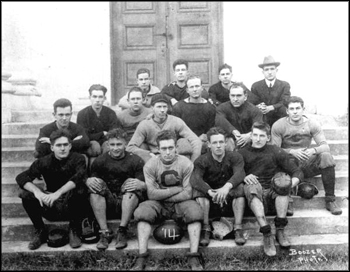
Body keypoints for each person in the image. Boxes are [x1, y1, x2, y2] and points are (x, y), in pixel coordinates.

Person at [131, 130, 204, 270]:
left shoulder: (186, 163)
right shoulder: (151, 165)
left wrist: (163, 192)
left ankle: (193, 255)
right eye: (164, 148)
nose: (168, 152)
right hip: (158, 203)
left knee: (195, 213)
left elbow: (188, 193)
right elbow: (151, 194)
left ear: (176, 148)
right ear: (158, 149)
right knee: (142, 213)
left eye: (171, 148)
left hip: (181, 203)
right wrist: (176, 190)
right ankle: (141, 257)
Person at [238, 122, 303, 256]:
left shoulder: (275, 151)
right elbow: (232, 174)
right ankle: (266, 232)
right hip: (255, 196)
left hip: (274, 195)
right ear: (250, 135)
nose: (257, 139)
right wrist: (244, 176)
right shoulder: (242, 153)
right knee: (251, 186)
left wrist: (289, 184)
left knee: (282, 181)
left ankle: (280, 228)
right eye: (255, 135)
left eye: (262, 136)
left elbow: (297, 172)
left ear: (268, 138)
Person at [16, 129, 88, 250]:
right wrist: (37, 192)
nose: (62, 148)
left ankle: (74, 230)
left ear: (70, 146)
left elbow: (78, 178)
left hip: (71, 205)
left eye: (65, 145)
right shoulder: (43, 161)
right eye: (58, 145)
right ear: (52, 147)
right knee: (24, 192)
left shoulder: (78, 158)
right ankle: (40, 231)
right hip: (51, 205)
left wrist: (58, 193)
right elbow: (21, 177)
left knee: (80, 188)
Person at [271, 96, 342, 215]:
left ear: (303, 109)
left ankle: (330, 200)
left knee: (326, 156)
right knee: (277, 161)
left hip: (306, 162)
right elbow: (274, 150)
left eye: (298, 108)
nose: (295, 111)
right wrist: (291, 151)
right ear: (287, 111)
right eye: (291, 109)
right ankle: (287, 200)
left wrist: (313, 150)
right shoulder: (279, 125)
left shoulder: (312, 124)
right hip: (287, 164)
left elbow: (325, 146)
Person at [86, 128, 146, 250]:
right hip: (107, 203)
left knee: (131, 187)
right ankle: (105, 232)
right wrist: (90, 181)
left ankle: (122, 230)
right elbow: (94, 183)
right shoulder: (100, 161)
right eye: (112, 145)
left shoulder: (135, 160)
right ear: (107, 145)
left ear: (125, 144)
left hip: (128, 203)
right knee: (95, 189)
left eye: (119, 144)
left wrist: (141, 184)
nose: (115, 148)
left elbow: (144, 184)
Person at [190, 127, 246, 247]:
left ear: (226, 142)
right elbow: (195, 179)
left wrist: (226, 188)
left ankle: (238, 228)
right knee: (198, 191)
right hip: (211, 201)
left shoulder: (235, 157)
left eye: (221, 142)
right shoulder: (201, 160)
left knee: (240, 187)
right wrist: (209, 191)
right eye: (215, 142)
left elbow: (240, 173)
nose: (219, 145)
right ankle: (205, 228)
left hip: (229, 200)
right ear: (209, 144)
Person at [126, 93, 202, 163]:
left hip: (173, 156)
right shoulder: (145, 124)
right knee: (141, 146)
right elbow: (130, 147)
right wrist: (148, 154)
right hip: (153, 158)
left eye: (164, 107)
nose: (162, 110)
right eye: (159, 107)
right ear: (152, 108)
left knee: (184, 143)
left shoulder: (176, 121)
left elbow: (195, 140)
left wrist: (193, 162)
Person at [172, 75, 216, 153]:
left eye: (197, 86)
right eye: (191, 87)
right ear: (187, 90)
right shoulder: (178, 107)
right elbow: (176, 130)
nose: (195, 89)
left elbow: (210, 128)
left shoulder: (210, 107)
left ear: (202, 88)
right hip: (184, 140)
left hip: (203, 140)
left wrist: (205, 136)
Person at [215, 83, 263, 151]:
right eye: (232, 95)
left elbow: (258, 127)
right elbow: (220, 121)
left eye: (239, 96)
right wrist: (234, 131)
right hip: (230, 139)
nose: (235, 99)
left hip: (249, 140)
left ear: (245, 96)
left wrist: (248, 136)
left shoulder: (254, 110)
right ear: (229, 96)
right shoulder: (222, 108)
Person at [77, 84, 121, 157]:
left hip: (106, 142)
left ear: (104, 98)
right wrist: (102, 133)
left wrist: (96, 136)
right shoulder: (82, 114)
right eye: (94, 97)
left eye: (100, 97)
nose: (97, 100)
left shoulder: (110, 113)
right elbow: (84, 136)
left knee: (108, 147)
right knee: (95, 146)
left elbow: (113, 133)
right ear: (90, 98)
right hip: (90, 144)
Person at [251, 55, 291, 127]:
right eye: (266, 69)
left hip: (279, 118)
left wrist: (272, 107)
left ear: (276, 70)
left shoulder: (284, 85)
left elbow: (285, 101)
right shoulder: (255, 86)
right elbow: (252, 102)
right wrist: (258, 106)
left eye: (272, 69)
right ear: (262, 72)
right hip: (262, 119)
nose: (269, 72)